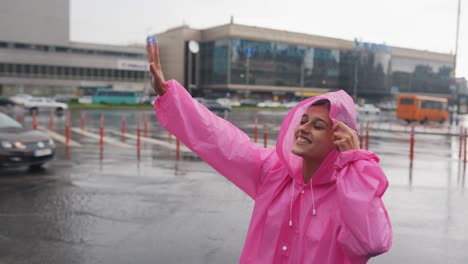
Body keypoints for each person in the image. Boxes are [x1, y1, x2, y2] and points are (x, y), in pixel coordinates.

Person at [147, 39, 392, 263]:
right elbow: (219, 139)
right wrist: (171, 96)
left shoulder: (348, 192)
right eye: (303, 120)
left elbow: (371, 242)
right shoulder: (275, 172)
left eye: (318, 126)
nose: (304, 129)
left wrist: (354, 163)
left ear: (338, 138)